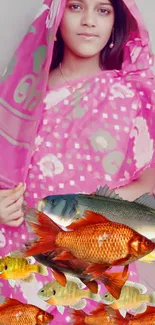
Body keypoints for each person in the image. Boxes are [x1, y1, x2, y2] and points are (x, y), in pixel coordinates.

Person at [0, 0, 155, 323]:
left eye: (102, 10)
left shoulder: (132, 94)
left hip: (97, 249)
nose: (88, 21)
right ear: (56, 16)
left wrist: (100, 207)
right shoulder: (23, 95)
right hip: (22, 250)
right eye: (75, 7)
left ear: (117, 22)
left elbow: (149, 179)